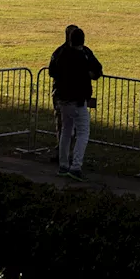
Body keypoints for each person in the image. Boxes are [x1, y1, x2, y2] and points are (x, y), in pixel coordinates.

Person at [47, 24, 102, 179]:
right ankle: (76, 166)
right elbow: (97, 69)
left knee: (65, 131)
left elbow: (52, 71)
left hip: (63, 99)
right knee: (83, 133)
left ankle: (63, 165)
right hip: (78, 100)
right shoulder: (83, 55)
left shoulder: (61, 54)